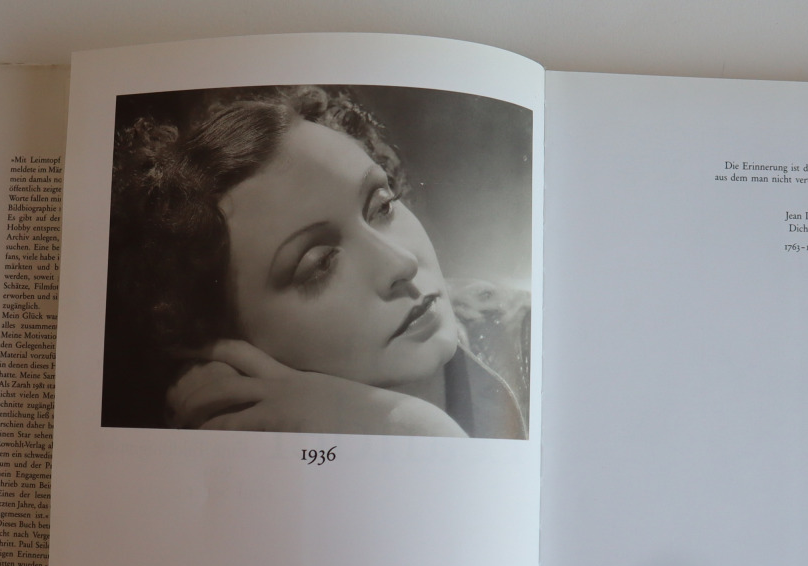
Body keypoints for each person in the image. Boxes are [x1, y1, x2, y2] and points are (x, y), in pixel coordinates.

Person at [103, 86, 529, 439]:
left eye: (382, 207)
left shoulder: (530, 340)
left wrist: (416, 431)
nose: (400, 264)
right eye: (320, 264)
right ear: (228, 353)